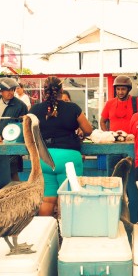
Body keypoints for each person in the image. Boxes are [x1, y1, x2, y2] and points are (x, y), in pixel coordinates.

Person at [29, 76, 93, 216]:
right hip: (68, 159)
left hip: (44, 159)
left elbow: (28, 134)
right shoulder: (72, 108)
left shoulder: (35, 110)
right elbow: (88, 130)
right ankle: (66, 233)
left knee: (47, 200)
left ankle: (47, 233)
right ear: (61, 90)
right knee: (67, 198)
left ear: (44, 91)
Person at [0, 77, 28, 181]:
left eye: (13, 90)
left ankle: (16, 195)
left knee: (13, 173)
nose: (11, 92)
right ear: (0, 91)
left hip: (12, 145)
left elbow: (25, 125)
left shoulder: (20, 106)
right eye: (8, 90)